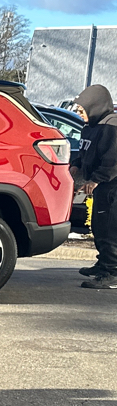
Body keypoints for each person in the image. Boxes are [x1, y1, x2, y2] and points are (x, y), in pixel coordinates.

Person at [73, 84, 117, 288]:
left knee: (109, 228)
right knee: (98, 225)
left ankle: (112, 272)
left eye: (82, 109)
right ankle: (103, 264)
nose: (79, 113)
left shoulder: (112, 126)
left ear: (94, 106)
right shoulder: (89, 127)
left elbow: (112, 159)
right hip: (99, 186)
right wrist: (76, 165)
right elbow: (85, 152)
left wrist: (96, 178)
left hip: (111, 186)